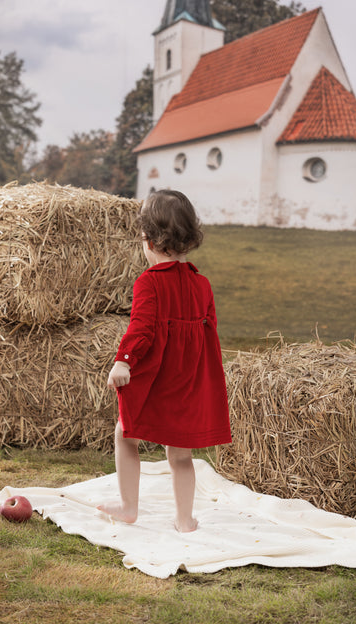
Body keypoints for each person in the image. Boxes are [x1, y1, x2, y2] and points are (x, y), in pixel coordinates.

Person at [97, 190, 231, 532]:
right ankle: (185, 520)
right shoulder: (203, 284)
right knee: (181, 455)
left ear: (150, 241)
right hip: (188, 382)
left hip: (158, 379)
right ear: (190, 238)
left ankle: (129, 507)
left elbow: (141, 328)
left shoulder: (149, 283)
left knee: (125, 434)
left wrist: (124, 362)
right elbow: (209, 332)